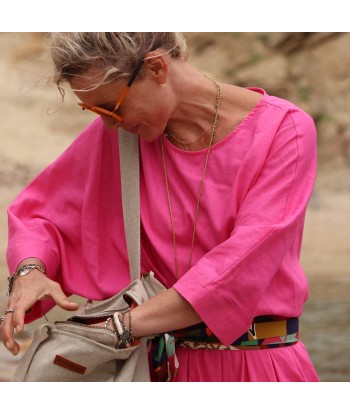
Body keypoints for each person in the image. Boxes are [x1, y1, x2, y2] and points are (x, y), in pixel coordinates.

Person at [1, 32, 319, 382]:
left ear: (156, 68)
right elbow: (41, 213)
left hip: (255, 369)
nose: (108, 123)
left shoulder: (283, 131)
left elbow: (241, 266)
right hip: (151, 373)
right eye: (94, 111)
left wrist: (120, 326)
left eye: (113, 107)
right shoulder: (123, 136)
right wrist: (30, 272)